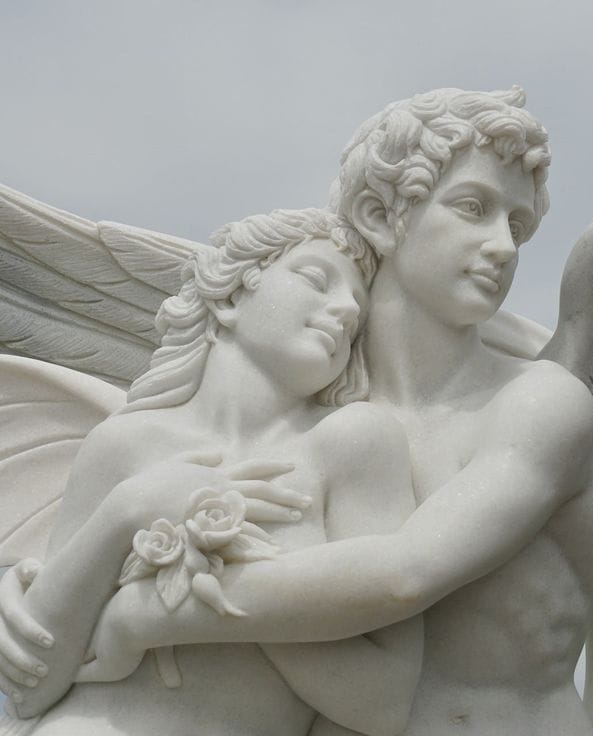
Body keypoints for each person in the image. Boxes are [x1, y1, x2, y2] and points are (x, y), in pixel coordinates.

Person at [4, 88, 593, 736]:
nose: (503, 247)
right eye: (473, 208)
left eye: (519, 228)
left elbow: (404, 575)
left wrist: (148, 613)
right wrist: (50, 581)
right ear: (382, 213)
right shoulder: (318, 424)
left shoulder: (538, 402)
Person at [0, 208, 423, 736]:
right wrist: (129, 509)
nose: (343, 311)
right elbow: (30, 686)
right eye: (316, 280)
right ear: (229, 297)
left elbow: (383, 702)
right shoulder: (125, 443)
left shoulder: (352, 443)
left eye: (358, 314)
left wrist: (211, 587)